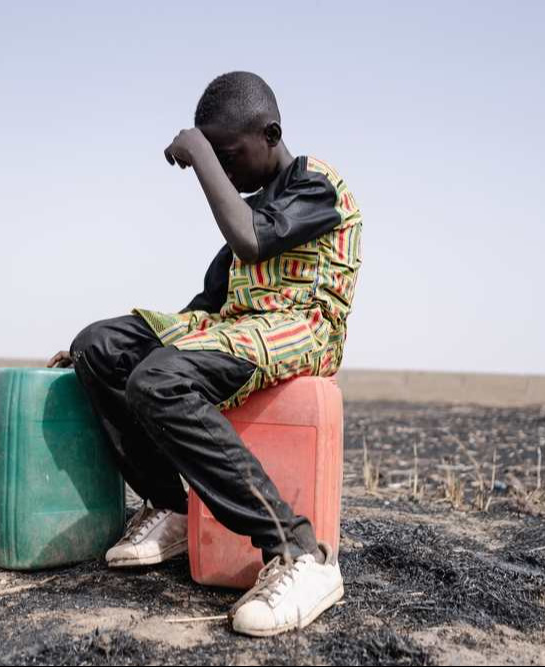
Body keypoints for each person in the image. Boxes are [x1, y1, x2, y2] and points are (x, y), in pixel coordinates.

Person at [46, 71, 362, 637]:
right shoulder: (250, 209)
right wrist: (117, 349)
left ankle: (298, 551)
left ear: (271, 135)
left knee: (159, 381)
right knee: (100, 346)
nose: (221, 168)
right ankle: (172, 507)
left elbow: (250, 239)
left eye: (227, 154)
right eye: (213, 157)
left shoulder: (317, 185)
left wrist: (196, 150)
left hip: (301, 327)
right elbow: (207, 304)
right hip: (237, 326)